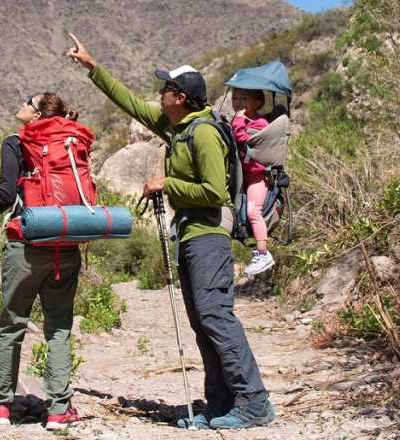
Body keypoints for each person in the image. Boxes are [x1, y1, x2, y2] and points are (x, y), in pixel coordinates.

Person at [66, 33, 275, 430]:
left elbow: (214, 192)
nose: (159, 93)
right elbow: (129, 102)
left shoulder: (204, 133)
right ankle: (220, 403)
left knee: (216, 316)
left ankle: (254, 402)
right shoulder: (177, 128)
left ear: (179, 97)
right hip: (192, 235)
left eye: (165, 87)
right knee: (202, 319)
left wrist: (166, 184)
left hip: (210, 234)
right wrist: (93, 67)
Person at [0, 93, 84, 430]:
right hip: (65, 242)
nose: (19, 102)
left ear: (34, 113)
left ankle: (1, 408)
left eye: (27, 100)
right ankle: (58, 410)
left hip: (26, 241)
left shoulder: (15, 142)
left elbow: (7, 195)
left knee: (11, 324)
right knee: (59, 327)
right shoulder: (71, 139)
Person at [231, 87, 275, 276]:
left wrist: (238, 121)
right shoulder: (240, 121)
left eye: (244, 99)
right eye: (235, 99)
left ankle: (264, 253)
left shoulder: (260, 123)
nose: (238, 103)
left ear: (257, 103)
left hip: (258, 177)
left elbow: (242, 138)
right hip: (244, 176)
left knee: (252, 210)